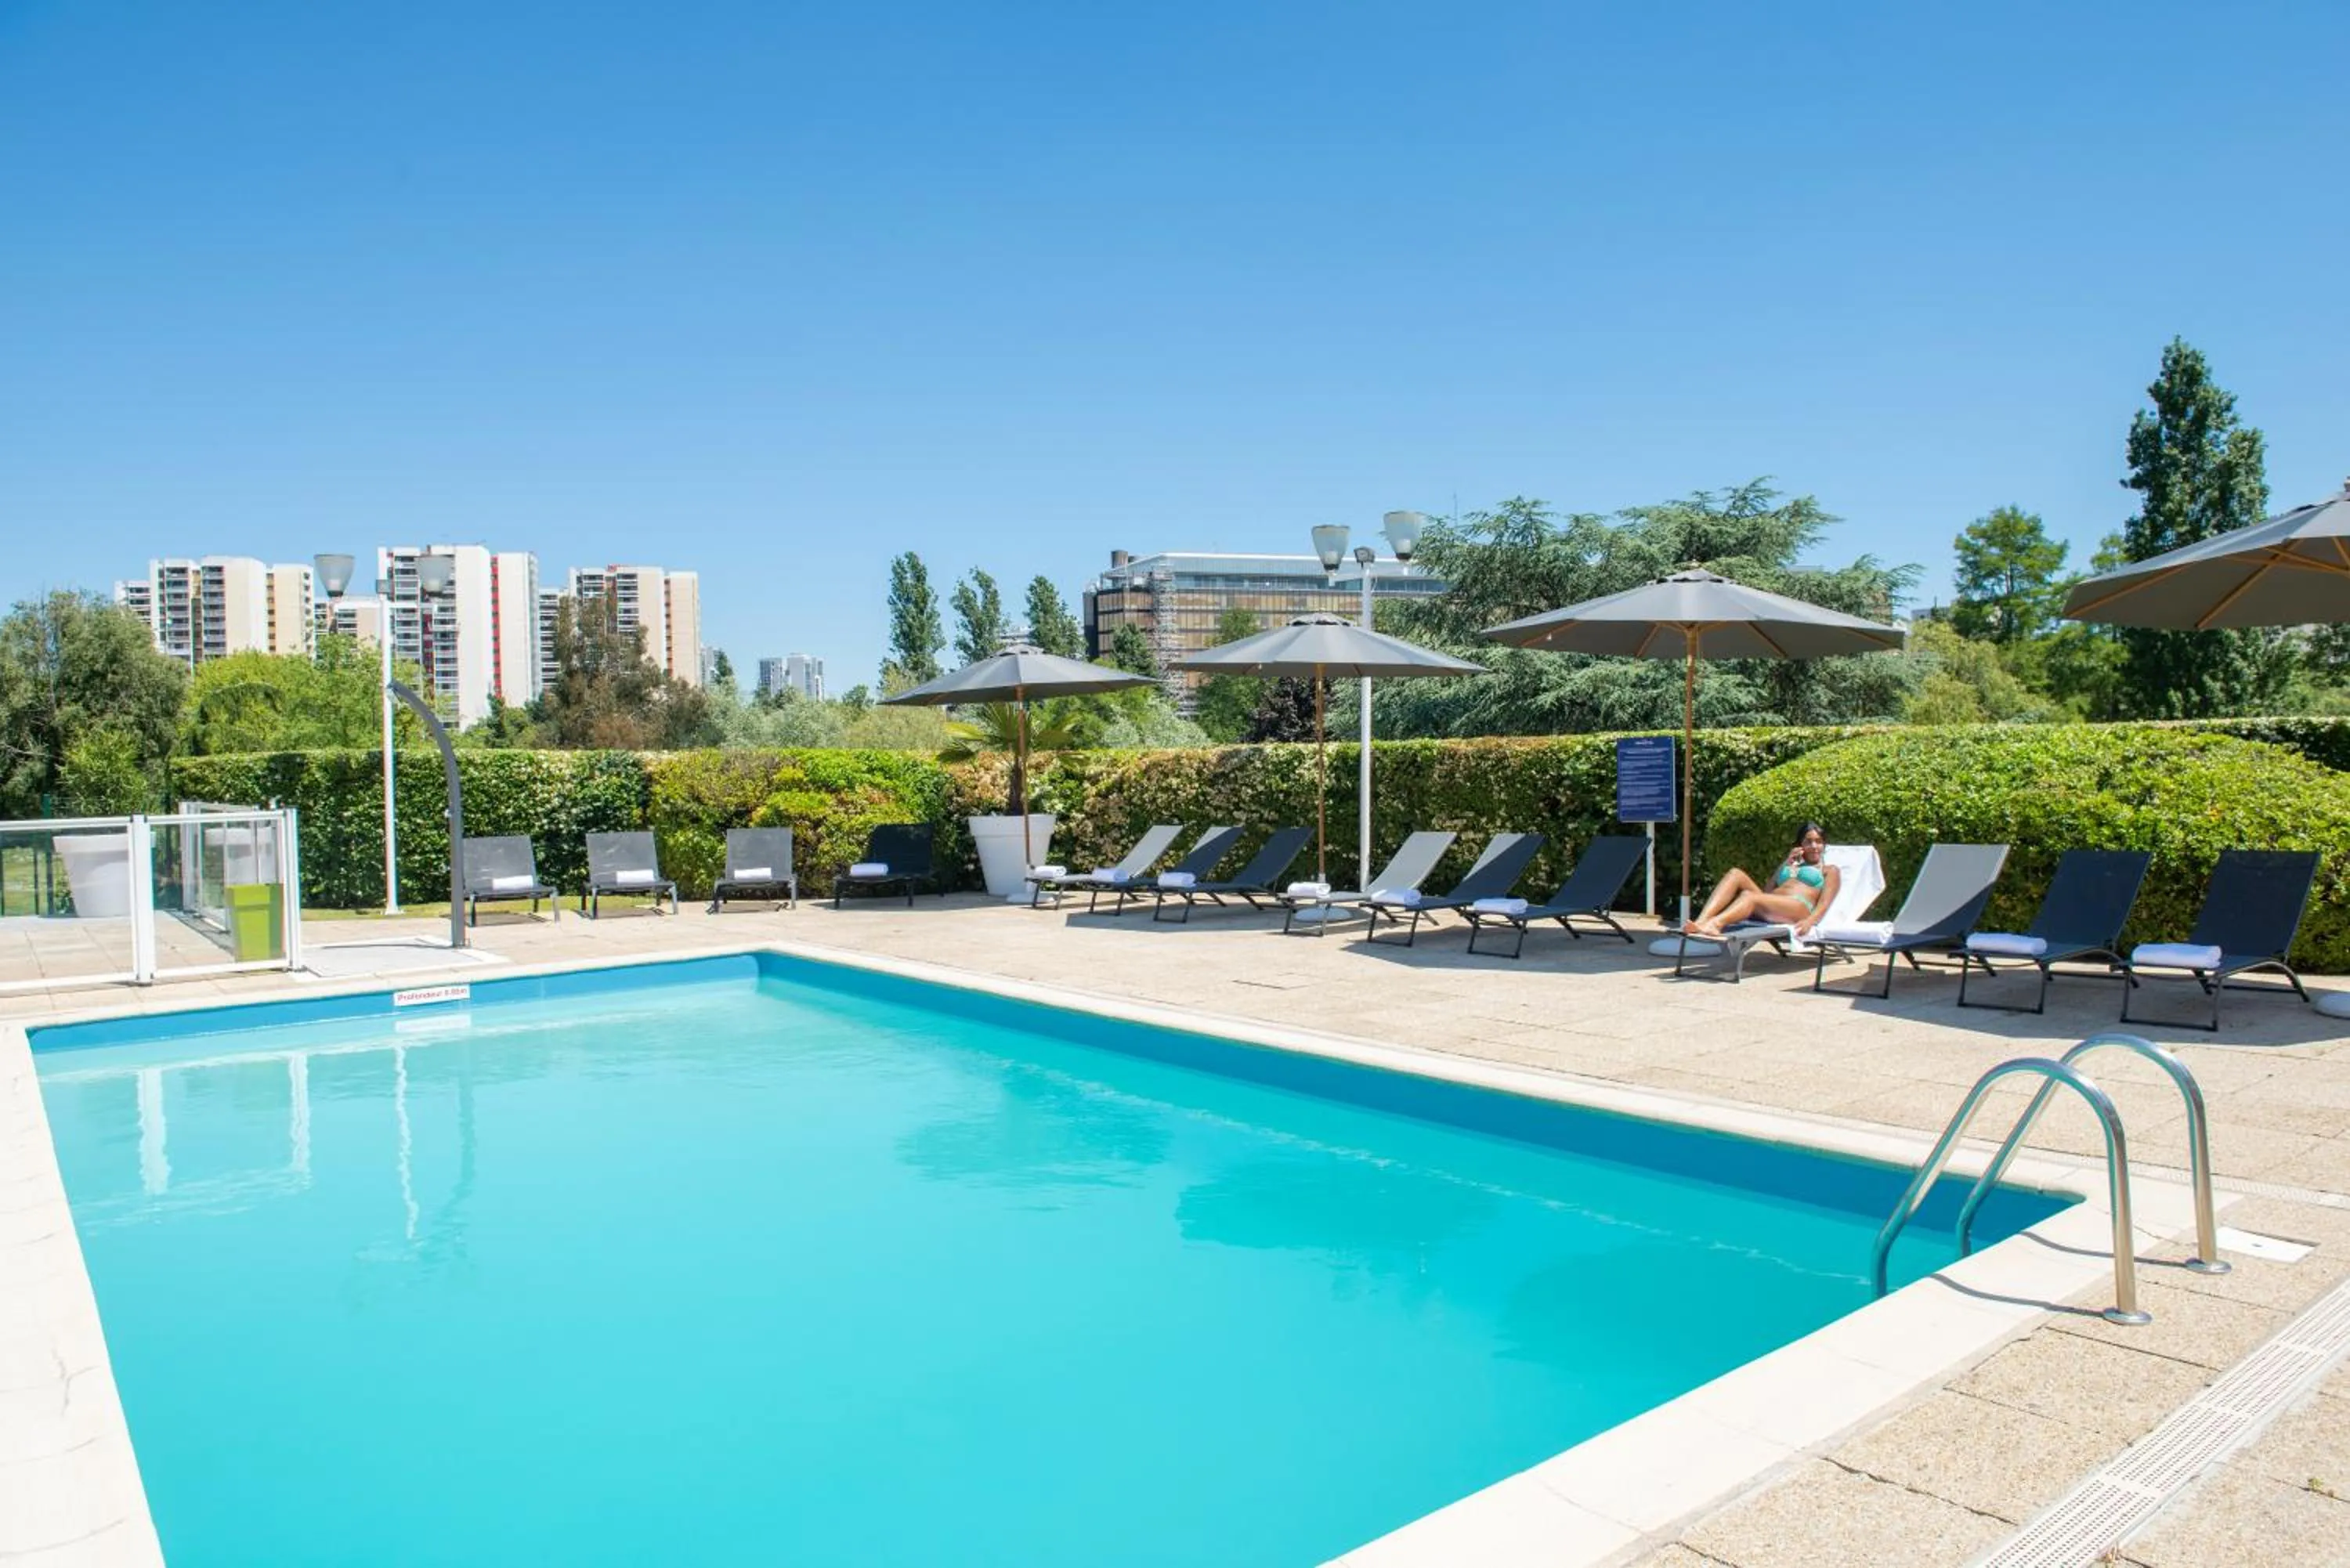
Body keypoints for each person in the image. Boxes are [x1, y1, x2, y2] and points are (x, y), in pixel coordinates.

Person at [1684, 822, 1839, 939]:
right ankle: (1701, 922)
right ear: (1801, 845)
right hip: (1774, 903)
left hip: (1799, 908)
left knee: (1748, 896)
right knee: (1735, 874)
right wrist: (1787, 861)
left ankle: (1716, 924)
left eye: (1818, 841)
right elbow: (1768, 890)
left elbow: (1824, 904)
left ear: (1824, 845)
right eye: (1808, 841)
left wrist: (1810, 922)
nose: (1814, 846)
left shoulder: (1829, 870)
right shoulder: (1794, 866)